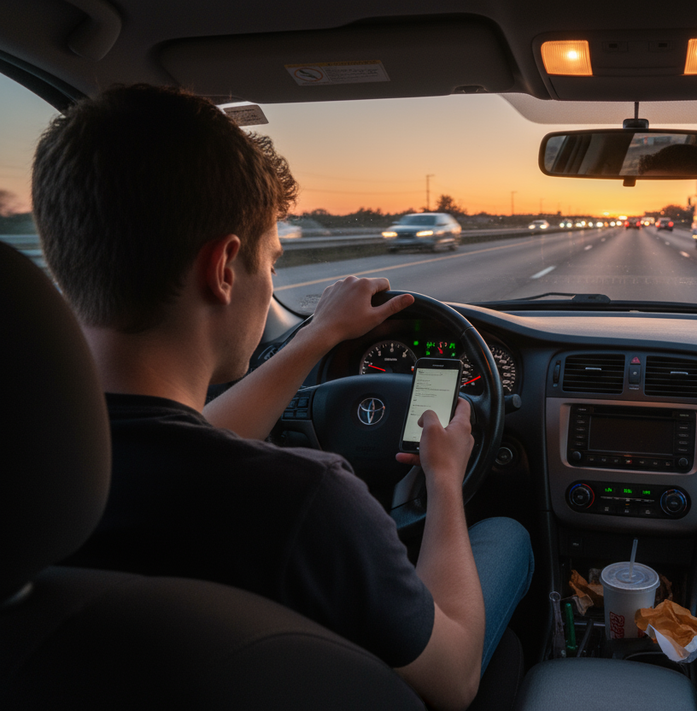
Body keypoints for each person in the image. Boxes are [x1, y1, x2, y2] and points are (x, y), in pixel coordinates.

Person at [32, 84, 532, 711]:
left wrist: (319, 335)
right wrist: (446, 479)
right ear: (223, 269)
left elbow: (192, 436)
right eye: (271, 261)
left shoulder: (37, 475)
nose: (271, 278)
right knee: (507, 540)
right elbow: (455, 679)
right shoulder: (306, 503)